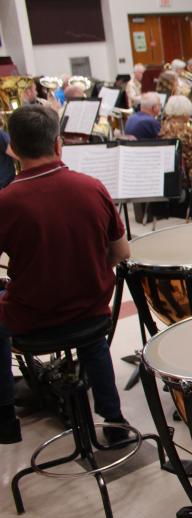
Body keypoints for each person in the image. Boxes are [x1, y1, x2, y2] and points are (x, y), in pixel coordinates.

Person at [0, 105, 131, 444]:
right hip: (90, 313)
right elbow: (121, 253)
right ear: (58, 144)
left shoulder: (6, 200)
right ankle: (114, 421)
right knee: (92, 341)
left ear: (11, 149)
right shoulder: (91, 187)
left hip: (31, 319)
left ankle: (5, 418)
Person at [159, 95, 192, 216]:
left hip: (173, 170)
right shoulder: (188, 131)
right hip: (188, 173)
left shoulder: (164, 126)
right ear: (185, 113)